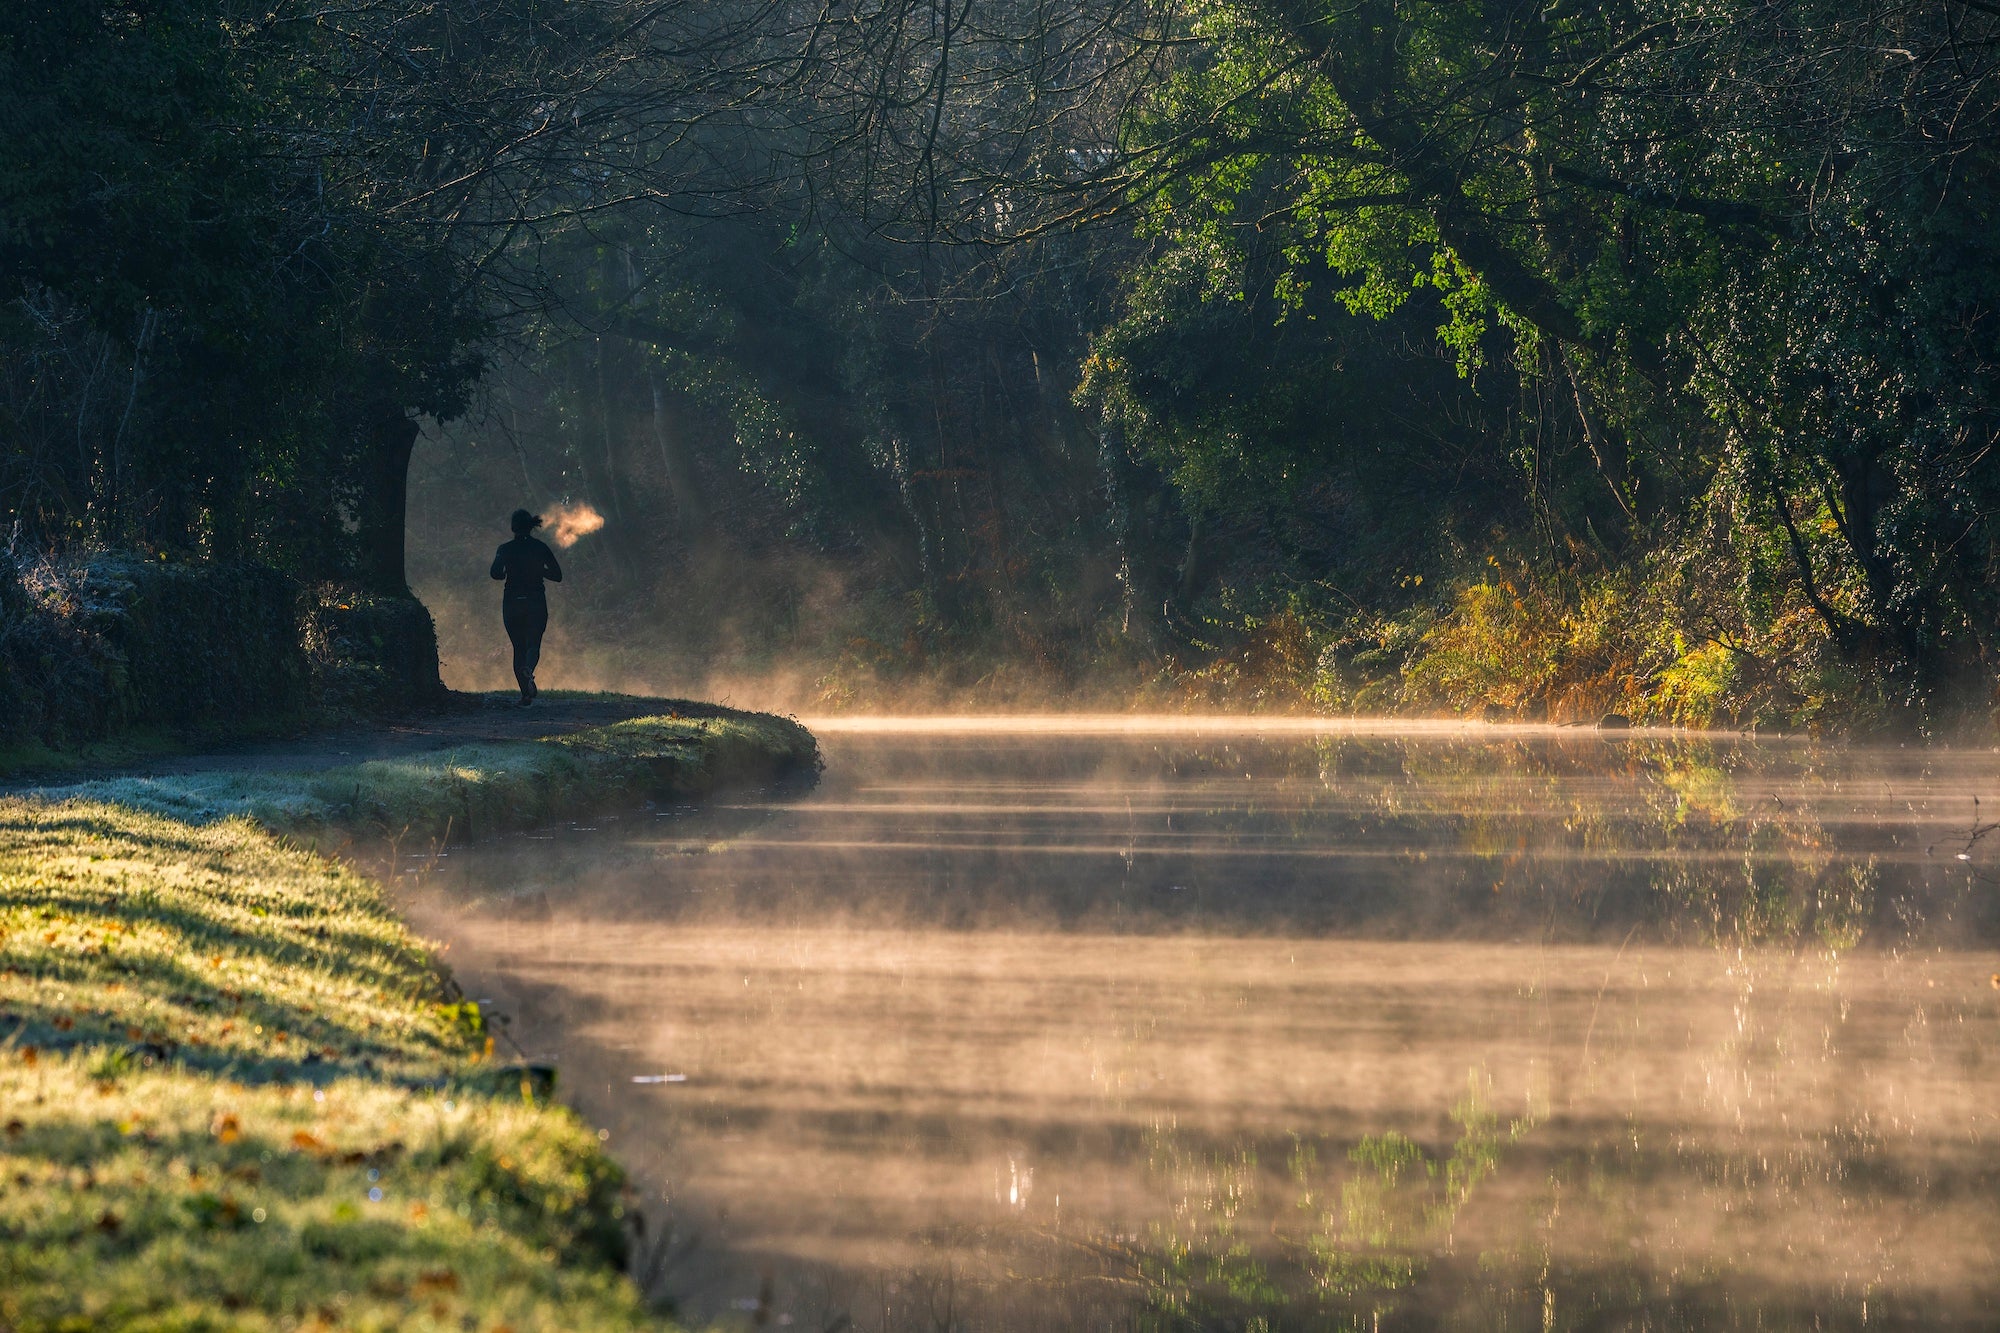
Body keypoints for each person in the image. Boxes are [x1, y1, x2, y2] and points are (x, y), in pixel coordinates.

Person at [490, 509, 562, 705]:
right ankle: (529, 669)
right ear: (531, 526)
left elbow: (495, 573)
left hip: (512, 603)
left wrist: (505, 572)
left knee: (518, 648)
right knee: (533, 644)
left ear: (513, 527)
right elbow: (558, 575)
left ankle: (525, 694)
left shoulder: (504, 549)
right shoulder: (540, 548)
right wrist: (540, 570)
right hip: (535, 602)